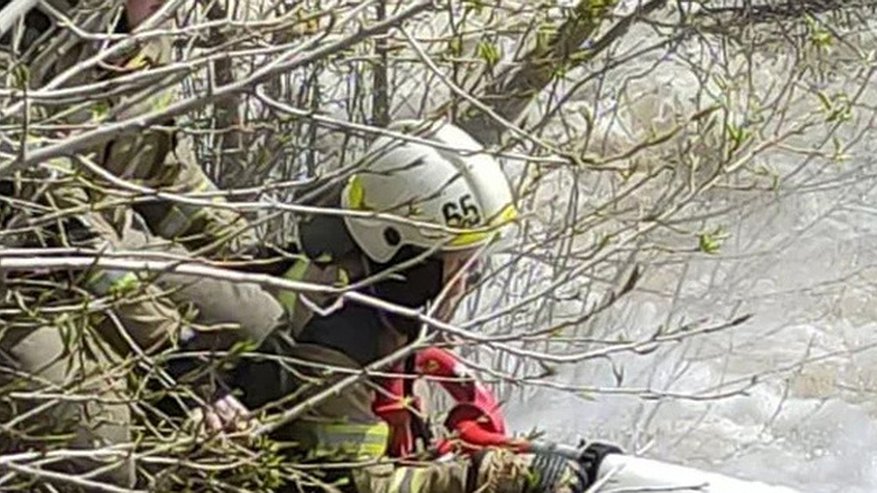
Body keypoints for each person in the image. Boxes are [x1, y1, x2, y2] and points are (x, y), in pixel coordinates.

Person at [0, 1, 283, 487]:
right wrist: (175, 353)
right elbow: (62, 225)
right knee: (101, 450)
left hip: (112, 238)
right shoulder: (24, 42)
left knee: (263, 322)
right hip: (21, 277)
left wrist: (255, 254)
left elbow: (168, 174)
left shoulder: (148, 34)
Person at [233, 120, 594, 493]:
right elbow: (356, 485)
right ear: (408, 260)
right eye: (459, 265)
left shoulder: (369, 291)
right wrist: (479, 477)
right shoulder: (331, 342)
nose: (468, 283)